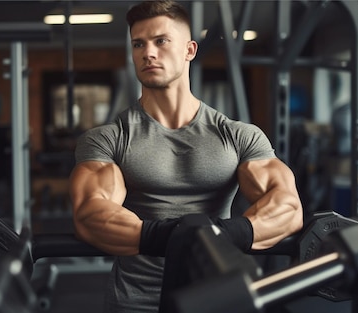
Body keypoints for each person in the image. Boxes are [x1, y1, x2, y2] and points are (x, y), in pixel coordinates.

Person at [69, 1, 303, 312]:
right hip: (136, 302)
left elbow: (288, 208)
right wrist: (172, 235)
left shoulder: (238, 135)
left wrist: (222, 234)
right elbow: (90, 214)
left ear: (189, 50)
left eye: (160, 41)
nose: (147, 53)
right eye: (138, 44)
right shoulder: (109, 138)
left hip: (218, 296)